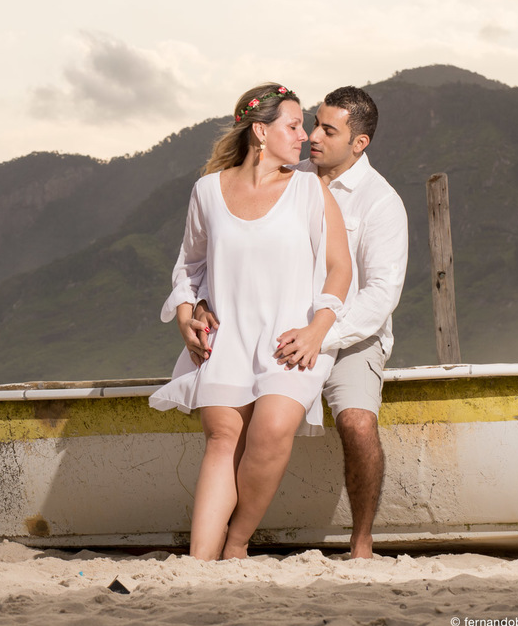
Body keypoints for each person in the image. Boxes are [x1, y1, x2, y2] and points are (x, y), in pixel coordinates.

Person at [196, 86, 408, 559]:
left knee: (355, 422)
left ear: (359, 143)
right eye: (312, 123)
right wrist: (202, 302)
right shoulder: (288, 173)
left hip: (349, 336)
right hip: (281, 331)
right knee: (241, 426)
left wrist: (320, 334)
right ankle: (226, 543)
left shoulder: (381, 202)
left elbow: (380, 294)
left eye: (328, 130)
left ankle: (361, 541)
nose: (312, 135)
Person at [150, 82, 352, 561]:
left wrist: (317, 329)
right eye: (293, 125)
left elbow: (341, 268)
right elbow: (190, 266)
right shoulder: (206, 192)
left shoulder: (309, 188)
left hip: (291, 338)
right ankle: (200, 563)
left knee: (272, 430)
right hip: (226, 340)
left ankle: (235, 544)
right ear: (260, 132)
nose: (303, 136)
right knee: (222, 439)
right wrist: (185, 315)